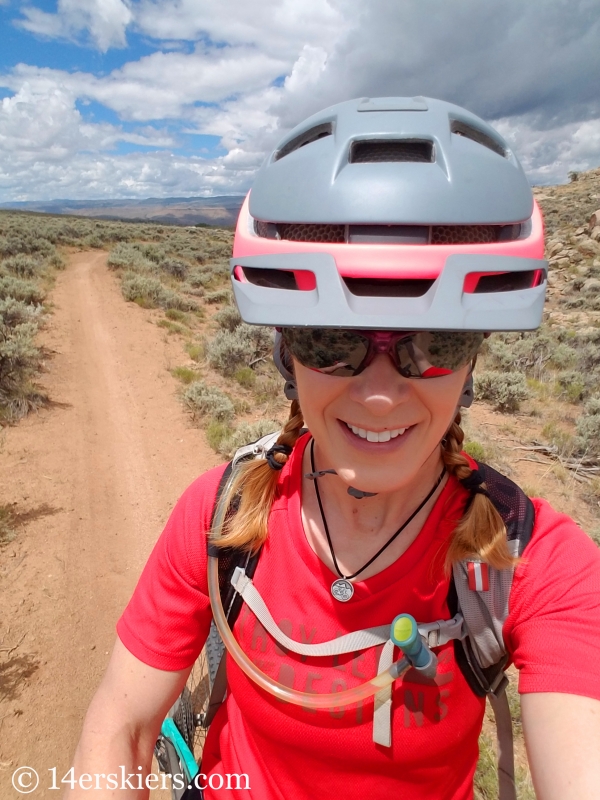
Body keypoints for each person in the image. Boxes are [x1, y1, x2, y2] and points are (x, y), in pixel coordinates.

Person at [66, 97, 600, 800]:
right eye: (332, 344)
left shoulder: (535, 565)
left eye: (435, 346)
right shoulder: (221, 515)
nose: (380, 395)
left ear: (475, 359)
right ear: (288, 354)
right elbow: (122, 726)